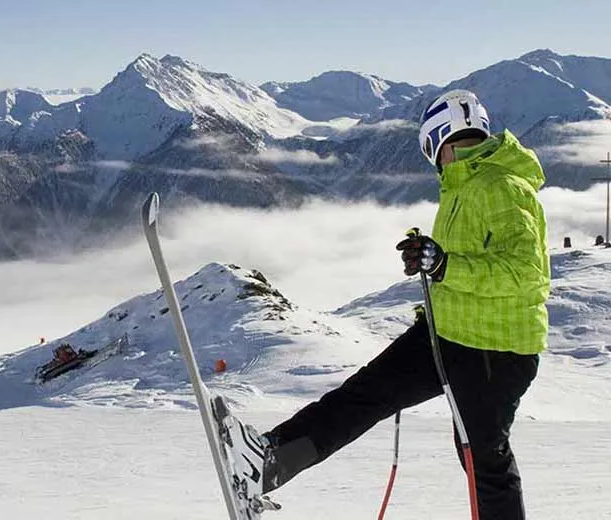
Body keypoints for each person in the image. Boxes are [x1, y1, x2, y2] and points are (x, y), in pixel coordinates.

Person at [226, 89, 550, 520]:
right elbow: (468, 261)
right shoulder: (465, 183)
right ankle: (270, 461)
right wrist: (433, 265)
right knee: (365, 394)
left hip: (495, 350)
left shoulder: (502, 187)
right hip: (448, 333)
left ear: (436, 140)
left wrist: (445, 266)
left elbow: (525, 275)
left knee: (483, 462)